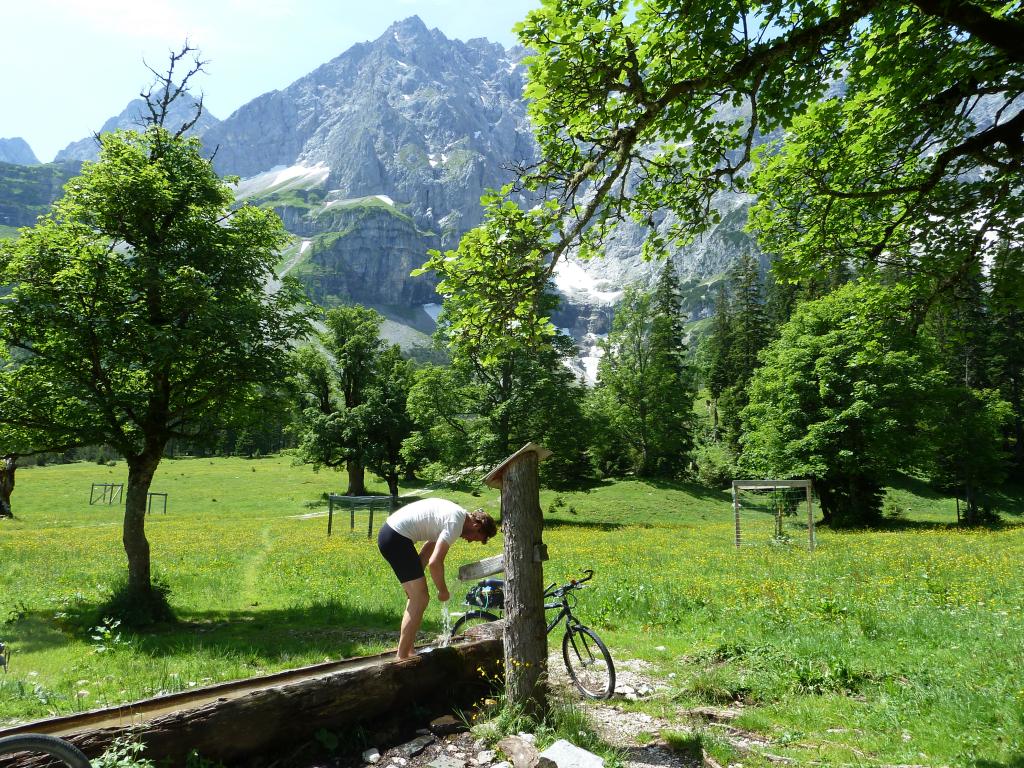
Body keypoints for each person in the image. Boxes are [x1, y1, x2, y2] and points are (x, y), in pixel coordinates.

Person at [377, 497, 497, 659]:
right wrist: (443, 591)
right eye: (476, 538)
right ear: (477, 526)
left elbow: (426, 553)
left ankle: (408, 650)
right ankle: (402, 658)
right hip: (396, 538)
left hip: (392, 535)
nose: (469, 541)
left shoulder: (452, 516)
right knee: (420, 598)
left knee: (417, 598)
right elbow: (435, 562)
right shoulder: (455, 523)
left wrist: (413, 581)